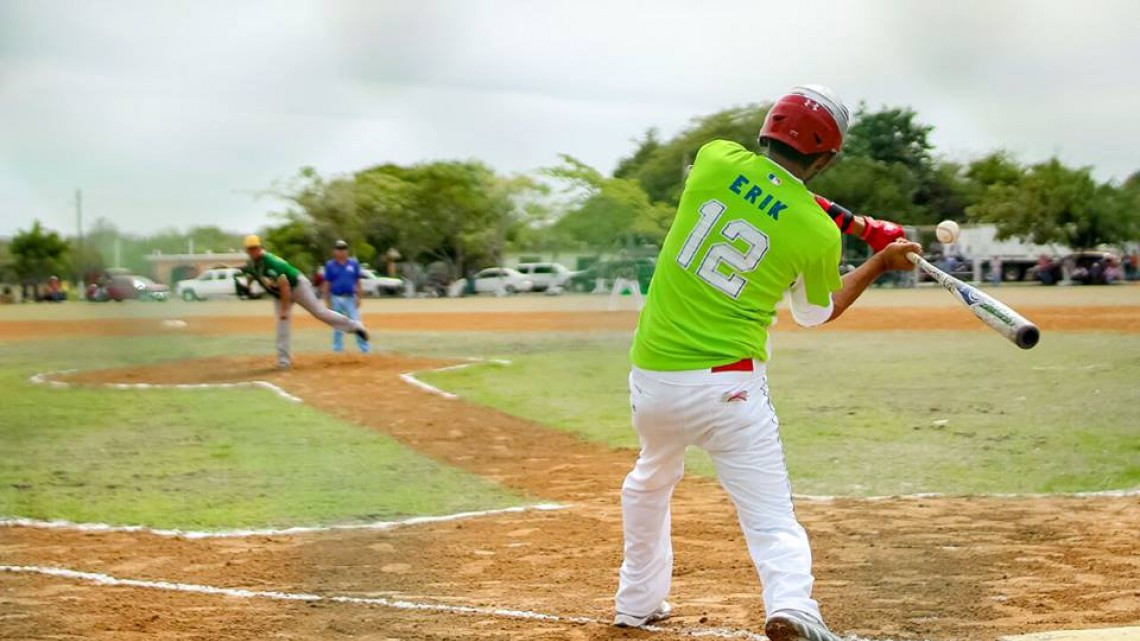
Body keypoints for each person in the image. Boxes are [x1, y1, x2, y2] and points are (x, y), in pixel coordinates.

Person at [613, 85, 921, 641]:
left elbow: (764, 189)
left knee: (651, 479)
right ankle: (793, 606)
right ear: (827, 158)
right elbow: (814, 315)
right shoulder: (816, 232)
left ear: (766, 131)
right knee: (770, 516)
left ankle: (635, 602)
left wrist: (858, 225)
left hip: (651, 382)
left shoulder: (713, 159)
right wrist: (878, 256)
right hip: (729, 391)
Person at [237, 235, 369, 369]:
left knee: (320, 312)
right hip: (279, 294)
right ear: (247, 250)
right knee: (282, 325)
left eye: (255, 248)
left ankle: (355, 326)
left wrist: (284, 310)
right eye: (250, 249)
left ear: (260, 247)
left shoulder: (271, 262)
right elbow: (252, 274)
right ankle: (284, 361)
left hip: (297, 286)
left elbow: (285, 286)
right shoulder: (252, 263)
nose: (253, 251)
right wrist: (247, 286)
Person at [322, 239, 370, 353]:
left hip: (350, 297)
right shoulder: (330, 265)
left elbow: (357, 281)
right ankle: (337, 349)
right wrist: (327, 300)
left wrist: (359, 297)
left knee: (357, 322)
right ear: (335, 251)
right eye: (339, 249)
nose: (341, 251)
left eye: (343, 249)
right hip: (336, 298)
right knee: (337, 324)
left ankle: (365, 349)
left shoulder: (353, 264)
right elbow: (327, 283)